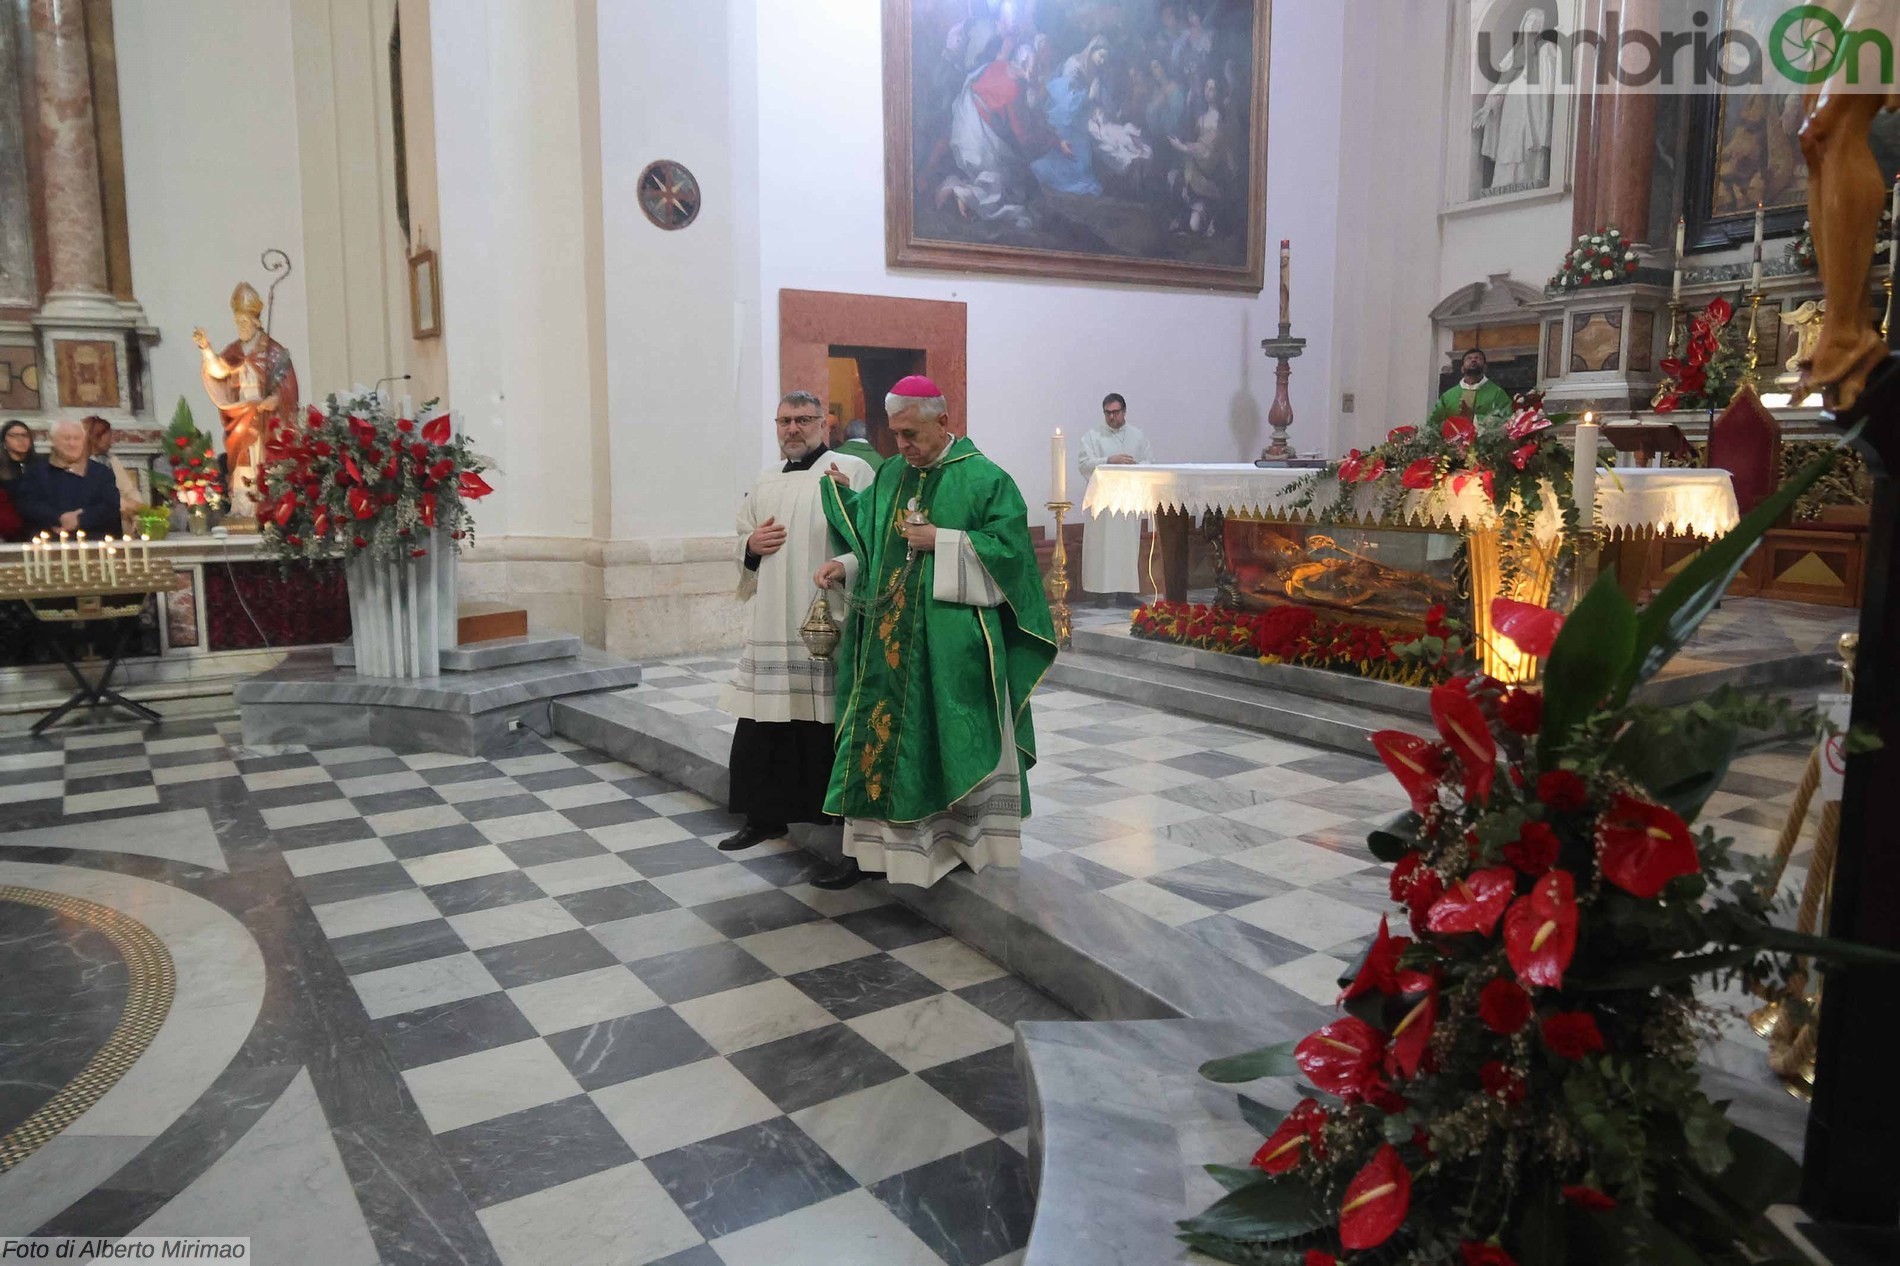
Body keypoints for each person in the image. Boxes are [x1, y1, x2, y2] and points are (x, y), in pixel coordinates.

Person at [813, 376, 1056, 890]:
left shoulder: (986, 479)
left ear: (943, 422)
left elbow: (1012, 558)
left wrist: (943, 541)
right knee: (877, 744)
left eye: (912, 434)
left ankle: (956, 848)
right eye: (895, 434)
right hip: (885, 647)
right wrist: (845, 563)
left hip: (951, 649)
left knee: (947, 746)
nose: (901, 445)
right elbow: (874, 544)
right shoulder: (891, 474)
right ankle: (872, 855)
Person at [717, 393, 876, 854]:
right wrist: (750, 545)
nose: (792, 429)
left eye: (803, 420)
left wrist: (846, 558)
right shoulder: (765, 479)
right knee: (764, 721)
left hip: (828, 618)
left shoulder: (852, 471)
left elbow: (873, 539)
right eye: (784, 420)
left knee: (824, 722)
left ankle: (835, 822)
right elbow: (741, 537)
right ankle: (763, 818)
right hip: (772, 621)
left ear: (824, 424)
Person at [194, 280, 300, 519]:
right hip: (241, 415)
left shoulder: (273, 351)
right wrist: (206, 348)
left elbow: (288, 388)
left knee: (266, 462)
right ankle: (243, 507)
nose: (240, 327)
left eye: (244, 322)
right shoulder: (234, 351)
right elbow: (219, 371)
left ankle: (267, 508)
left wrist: (275, 399)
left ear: (256, 322)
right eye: (237, 322)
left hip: (266, 419)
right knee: (242, 462)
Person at [1078, 392, 1153, 604]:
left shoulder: (1137, 436)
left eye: (1115, 412)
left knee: (1126, 547)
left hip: (1128, 499)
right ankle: (1101, 594)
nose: (1111, 417)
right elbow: (1084, 464)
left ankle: (1125, 593)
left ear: (1124, 411)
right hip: (1103, 500)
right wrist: (1109, 460)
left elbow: (1150, 461)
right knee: (1102, 547)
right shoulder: (1092, 436)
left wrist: (1136, 466)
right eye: (1107, 413)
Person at [13, 417, 120, 537]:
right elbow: (27, 504)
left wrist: (79, 520)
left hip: (93, 539)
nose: (72, 444)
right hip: (47, 538)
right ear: (53, 441)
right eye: (66, 438)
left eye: (77, 438)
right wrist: (59, 518)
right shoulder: (35, 472)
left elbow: (110, 506)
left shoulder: (102, 473)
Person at [86, 415, 148, 538]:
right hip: (97, 523)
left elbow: (128, 488)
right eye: (108, 437)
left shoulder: (112, 460)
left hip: (121, 518)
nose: (111, 441)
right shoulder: (82, 464)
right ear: (96, 437)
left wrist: (137, 504)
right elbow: (95, 495)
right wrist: (124, 504)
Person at [1435, 348, 1513, 418]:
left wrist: (1474, 418)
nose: (1473, 360)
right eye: (1469, 358)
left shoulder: (1497, 393)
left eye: (1477, 358)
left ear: (1485, 367)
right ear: (1462, 368)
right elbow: (1435, 423)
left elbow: (1507, 420)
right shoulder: (1448, 396)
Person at [1, 419, 33, 483]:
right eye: (13, 436)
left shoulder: (42, 466)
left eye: (24, 435)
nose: (20, 439)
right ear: (4, 442)